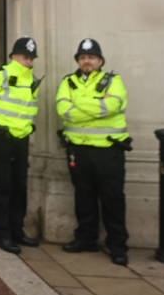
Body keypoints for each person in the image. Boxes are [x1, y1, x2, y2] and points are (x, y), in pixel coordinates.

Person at [56, 37, 130, 265]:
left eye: (91, 57)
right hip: (79, 150)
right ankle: (86, 239)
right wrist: (97, 105)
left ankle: (117, 245)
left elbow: (113, 105)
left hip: (108, 150)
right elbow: (63, 110)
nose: (87, 61)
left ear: (100, 61)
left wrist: (79, 105)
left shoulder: (113, 80)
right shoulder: (68, 82)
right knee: (83, 197)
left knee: (113, 199)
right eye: (83, 58)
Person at [0, 36, 42, 254]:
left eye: (31, 58)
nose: (29, 62)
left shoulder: (31, 79)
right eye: (26, 57)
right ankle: (2, 234)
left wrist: (27, 130)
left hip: (21, 139)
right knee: (2, 187)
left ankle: (17, 231)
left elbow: (29, 109)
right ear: (14, 56)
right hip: (1, 138)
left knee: (19, 187)